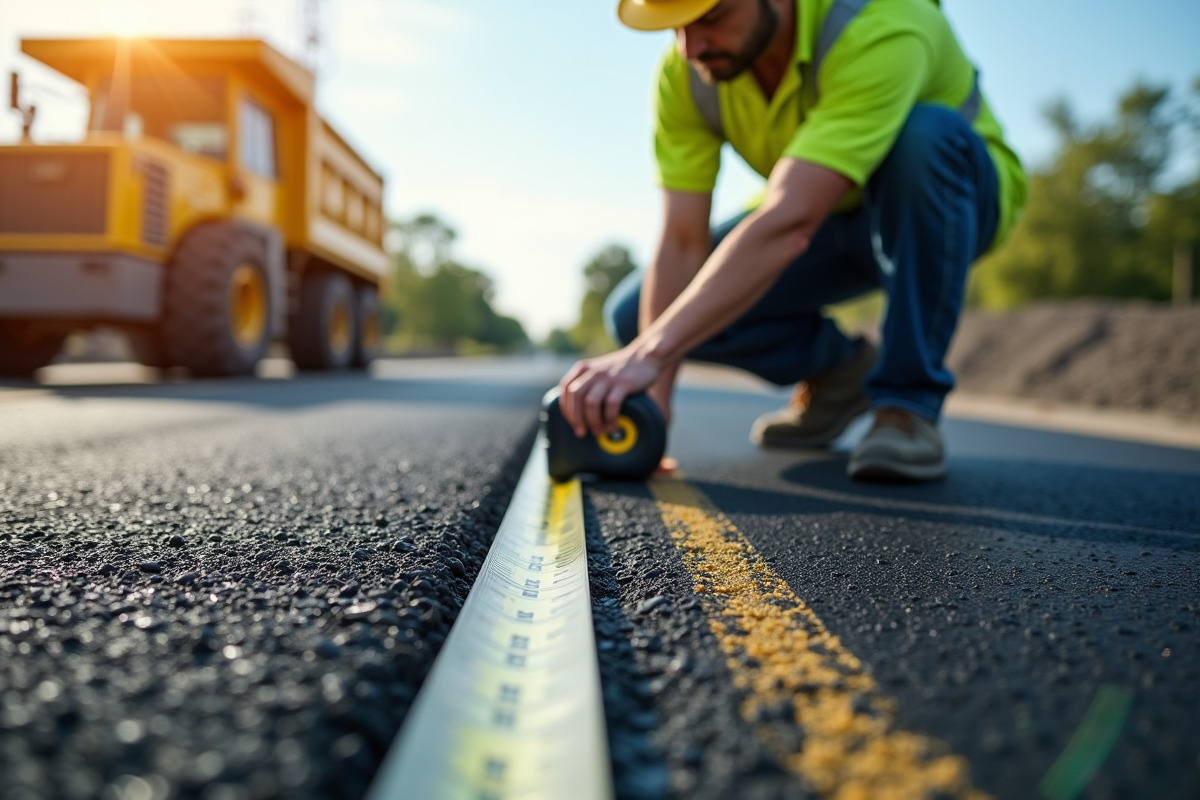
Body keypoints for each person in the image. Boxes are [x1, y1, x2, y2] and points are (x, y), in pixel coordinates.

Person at [558, 0, 1026, 481]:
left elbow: (789, 222)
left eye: (711, 19)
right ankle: (843, 373)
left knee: (923, 136)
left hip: (947, 205)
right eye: (675, 27)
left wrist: (647, 355)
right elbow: (681, 240)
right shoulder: (687, 74)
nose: (691, 46)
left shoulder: (882, 20)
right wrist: (653, 408)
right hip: (822, 217)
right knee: (633, 315)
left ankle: (907, 407)